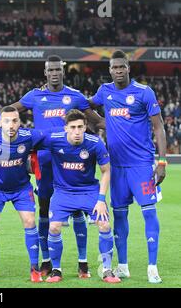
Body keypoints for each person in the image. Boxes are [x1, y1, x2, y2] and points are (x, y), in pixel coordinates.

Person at [11, 55, 103, 277]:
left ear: (63, 72)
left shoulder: (74, 96)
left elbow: (96, 119)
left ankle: (82, 262)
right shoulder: (35, 95)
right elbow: (9, 111)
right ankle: (46, 260)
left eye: (57, 70)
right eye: (50, 70)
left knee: (78, 209)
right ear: (45, 73)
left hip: (71, 161)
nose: (54, 73)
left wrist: (123, 127)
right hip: (44, 161)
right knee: (44, 210)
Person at [89, 50, 167, 283]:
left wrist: (161, 162)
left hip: (142, 166)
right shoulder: (105, 91)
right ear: (110, 69)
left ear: (128, 68)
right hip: (116, 167)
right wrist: (101, 123)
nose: (118, 71)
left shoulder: (144, 92)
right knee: (120, 216)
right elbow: (86, 105)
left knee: (149, 214)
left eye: (122, 67)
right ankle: (122, 266)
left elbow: (159, 127)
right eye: (114, 67)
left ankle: (152, 267)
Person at [38, 109, 120, 283]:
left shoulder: (95, 143)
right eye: (73, 127)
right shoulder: (54, 140)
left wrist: (101, 199)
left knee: (104, 224)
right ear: (66, 128)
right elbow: (29, 141)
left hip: (89, 192)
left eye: (80, 127)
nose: (77, 131)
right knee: (53, 228)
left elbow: (106, 172)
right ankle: (56, 270)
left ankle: (106, 269)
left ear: (85, 128)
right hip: (62, 192)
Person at [0, 106, 45, 283]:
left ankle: (35, 268)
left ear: (19, 122)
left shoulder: (29, 136)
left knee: (30, 221)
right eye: (7, 121)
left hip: (21, 189)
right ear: (0, 122)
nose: (11, 125)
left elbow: (51, 136)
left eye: (15, 121)